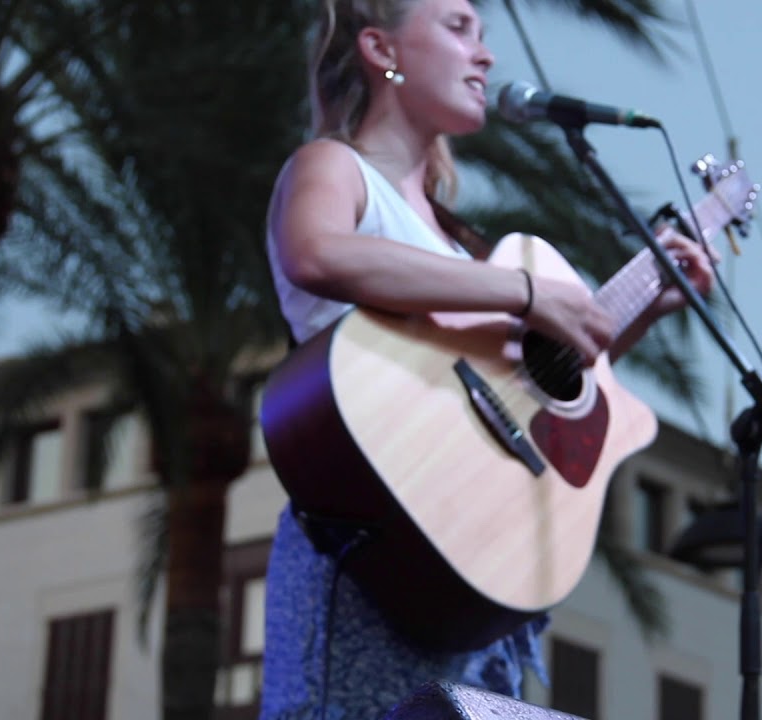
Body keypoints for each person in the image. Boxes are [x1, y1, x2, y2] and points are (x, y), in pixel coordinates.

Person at [259, 0, 716, 717]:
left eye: (483, 33)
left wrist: (646, 307)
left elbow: (533, 390)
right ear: (383, 49)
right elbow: (315, 251)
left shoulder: (459, 246)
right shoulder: (336, 169)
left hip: (469, 562)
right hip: (368, 547)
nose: (486, 56)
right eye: (458, 27)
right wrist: (525, 291)